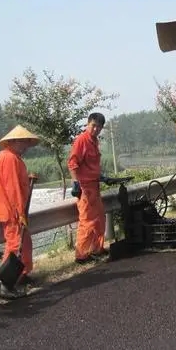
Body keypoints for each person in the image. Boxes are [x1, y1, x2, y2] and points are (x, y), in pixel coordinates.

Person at [0, 125, 40, 299]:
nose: (26, 146)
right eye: (24, 142)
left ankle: (21, 275)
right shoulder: (9, 158)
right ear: (13, 141)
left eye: (27, 142)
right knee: (14, 246)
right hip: (12, 211)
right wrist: (20, 213)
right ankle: (6, 285)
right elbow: (13, 189)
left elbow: (15, 183)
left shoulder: (7, 157)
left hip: (11, 209)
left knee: (24, 243)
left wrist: (27, 180)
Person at [68, 112, 108, 264]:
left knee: (99, 219)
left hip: (94, 186)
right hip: (85, 188)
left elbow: (92, 165)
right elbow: (72, 163)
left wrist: (102, 176)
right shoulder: (81, 140)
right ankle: (81, 255)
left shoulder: (94, 141)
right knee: (87, 221)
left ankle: (97, 249)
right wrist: (75, 183)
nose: (96, 129)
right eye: (94, 126)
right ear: (88, 124)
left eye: (99, 127)